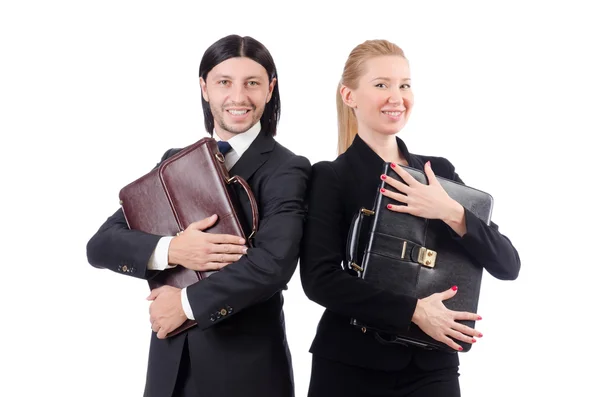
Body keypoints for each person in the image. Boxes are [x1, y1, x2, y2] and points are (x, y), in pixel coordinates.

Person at [86, 34, 311, 397]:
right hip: (168, 371)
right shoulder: (176, 161)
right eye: (224, 82)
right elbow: (101, 245)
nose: (238, 97)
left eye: (251, 83)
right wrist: (173, 250)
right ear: (205, 88)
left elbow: (273, 265)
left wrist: (185, 304)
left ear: (270, 90)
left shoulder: (288, 168)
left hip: (243, 375)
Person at [299, 39, 521, 397]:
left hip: (433, 368)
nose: (396, 96)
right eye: (381, 85)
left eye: (404, 84)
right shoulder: (331, 176)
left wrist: (450, 211)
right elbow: (319, 280)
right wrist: (413, 311)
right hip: (350, 366)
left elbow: (508, 264)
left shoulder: (440, 174)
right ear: (349, 95)